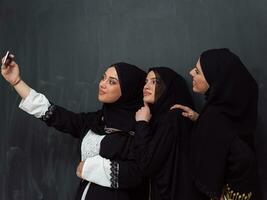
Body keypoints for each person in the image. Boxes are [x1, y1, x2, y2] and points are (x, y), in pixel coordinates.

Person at [1, 54, 148, 200]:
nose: (102, 84)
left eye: (112, 82)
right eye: (103, 77)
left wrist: (91, 167)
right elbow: (53, 114)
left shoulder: (139, 129)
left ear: (128, 90)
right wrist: (16, 82)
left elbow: (139, 173)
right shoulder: (95, 121)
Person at [89, 67, 196, 200]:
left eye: (154, 82)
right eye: (146, 82)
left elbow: (146, 164)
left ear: (168, 88)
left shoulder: (174, 117)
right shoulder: (159, 118)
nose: (146, 86)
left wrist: (142, 123)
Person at [172, 48, 259, 200]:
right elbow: (228, 136)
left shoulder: (215, 116)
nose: (191, 72)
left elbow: (244, 157)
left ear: (215, 79)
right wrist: (201, 120)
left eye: (198, 71)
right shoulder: (229, 110)